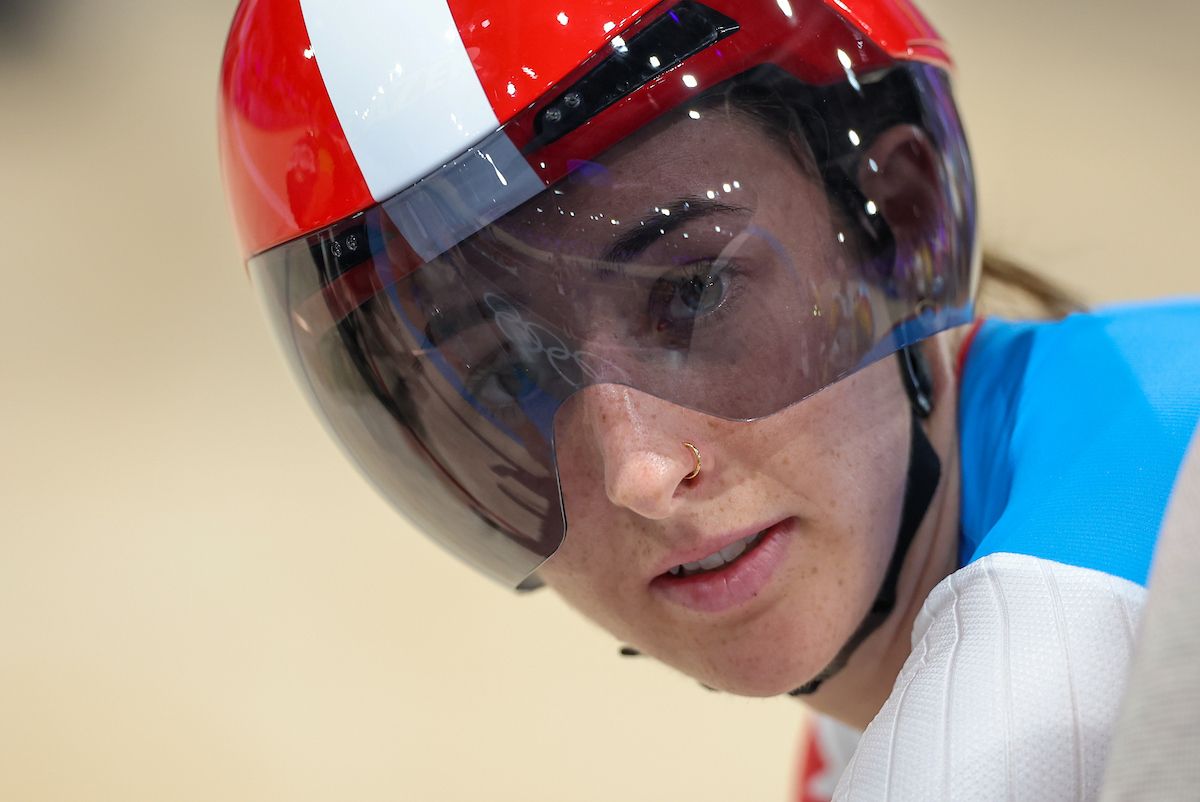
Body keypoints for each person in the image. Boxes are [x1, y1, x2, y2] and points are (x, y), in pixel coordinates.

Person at [217, 0, 1200, 798]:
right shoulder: (1109, 422)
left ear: (894, 223)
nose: (642, 472)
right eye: (502, 375)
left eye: (695, 293)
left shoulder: (1035, 684)